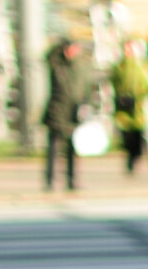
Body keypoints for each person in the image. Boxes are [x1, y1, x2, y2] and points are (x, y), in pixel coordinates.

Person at [43, 37, 95, 191]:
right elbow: (48, 57)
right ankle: (50, 179)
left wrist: (87, 106)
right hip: (57, 110)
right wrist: (60, 46)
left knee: (72, 148)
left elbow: (86, 87)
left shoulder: (81, 66)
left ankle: (71, 180)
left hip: (74, 111)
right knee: (53, 147)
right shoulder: (58, 64)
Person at [112, 39, 148, 175]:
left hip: (138, 107)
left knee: (138, 134)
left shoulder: (143, 65)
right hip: (124, 107)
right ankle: (129, 159)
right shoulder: (120, 66)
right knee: (126, 134)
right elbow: (114, 82)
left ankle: (136, 158)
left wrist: (140, 97)